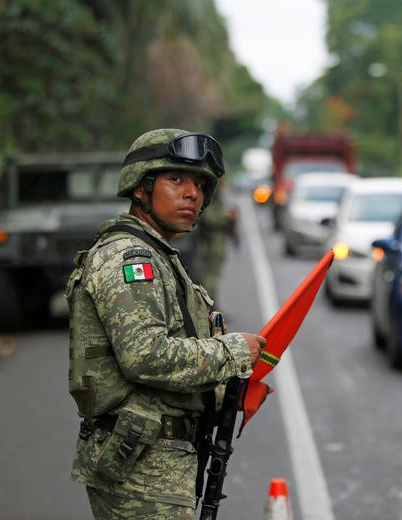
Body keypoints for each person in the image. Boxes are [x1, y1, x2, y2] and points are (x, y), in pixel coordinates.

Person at [66, 128, 268, 519]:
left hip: (158, 463)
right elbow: (145, 356)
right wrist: (233, 352)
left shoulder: (157, 255)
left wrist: (226, 391)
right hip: (144, 471)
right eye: (176, 179)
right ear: (141, 188)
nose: (192, 194)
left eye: (200, 185)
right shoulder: (130, 259)